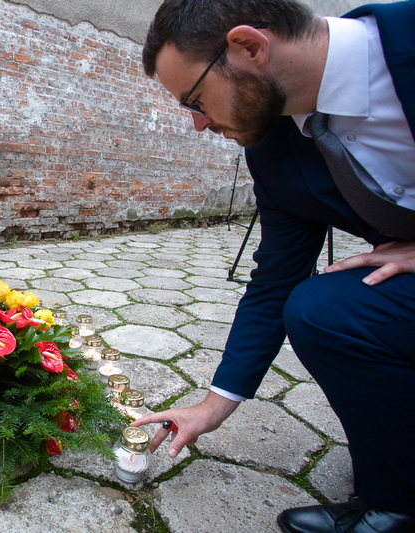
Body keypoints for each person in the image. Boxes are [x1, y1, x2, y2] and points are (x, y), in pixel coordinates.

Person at [131, 0, 415, 532]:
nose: (198, 124)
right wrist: (211, 408)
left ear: (249, 47)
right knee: (323, 309)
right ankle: (399, 499)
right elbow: (275, 282)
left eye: (195, 99)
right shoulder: (275, 148)